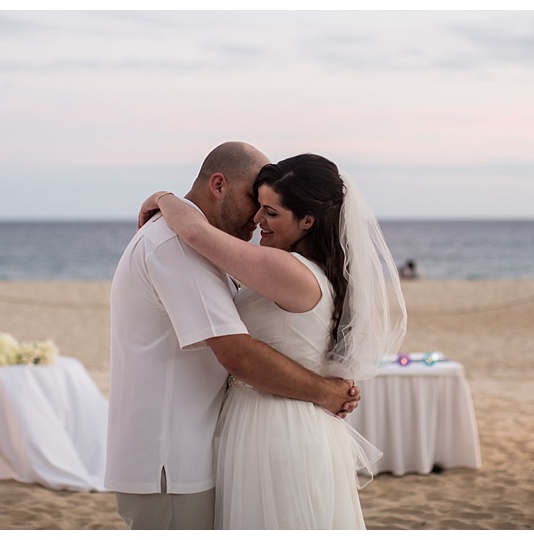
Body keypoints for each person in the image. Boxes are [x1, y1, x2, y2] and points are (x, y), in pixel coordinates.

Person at [139, 153, 407, 529]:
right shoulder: (313, 271)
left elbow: (197, 234)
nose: (257, 220)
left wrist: (164, 198)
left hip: (276, 426)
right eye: (258, 206)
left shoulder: (287, 270)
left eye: (271, 212)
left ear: (308, 220)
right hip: (283, 418)